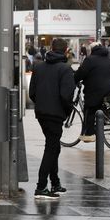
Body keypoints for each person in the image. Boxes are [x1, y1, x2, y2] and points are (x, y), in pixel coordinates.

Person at [29, 38, 76, 200]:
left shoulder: (39, 66)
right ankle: (41, 187)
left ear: (50, 48)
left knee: (53, 146)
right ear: (65, 51)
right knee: (51, 148)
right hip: (56, 114)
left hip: (42, 113)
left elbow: (32, 93)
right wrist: (66, 110)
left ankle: (55, 182)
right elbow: (66, 96)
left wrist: (42, 104)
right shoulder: (66, 69)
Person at [74, 43, 110, 143]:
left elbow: (81, 72)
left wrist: (74, 79)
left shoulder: (90, 59)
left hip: (98, 90)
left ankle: (89, 134)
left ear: (92, 50)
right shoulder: (108, 59)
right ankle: (101, 123)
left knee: (89, 107)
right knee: (99, 106)